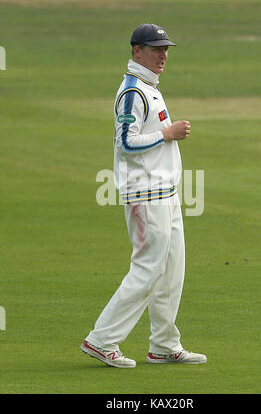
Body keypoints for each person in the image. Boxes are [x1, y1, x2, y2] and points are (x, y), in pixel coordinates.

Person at [81, 23, 207, 368]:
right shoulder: (133, 91)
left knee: (171, 271)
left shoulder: (150, 86)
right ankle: (101, 339)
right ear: (137, 51)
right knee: (148, 270)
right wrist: (167, 133)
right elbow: (126, 141)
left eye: (165, 49)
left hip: (166, 193)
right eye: (155, 49)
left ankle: (164, 344)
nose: (163, 55)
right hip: (145, 194)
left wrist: (165, 134)